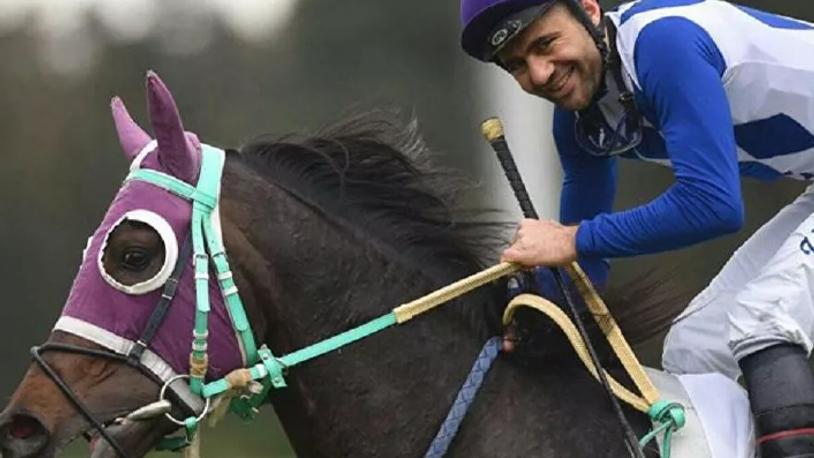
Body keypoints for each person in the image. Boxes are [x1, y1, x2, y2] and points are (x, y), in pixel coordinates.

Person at [459, 0, 814, 457]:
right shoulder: (579, 119)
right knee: (696, 350)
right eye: (517, 66)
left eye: (546, 44)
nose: (540, 73)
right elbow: (581, 261)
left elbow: (713, 204)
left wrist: (568, 240)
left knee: (765, 317)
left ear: (588, 10)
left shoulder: (664, 46)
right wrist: (535, 317)